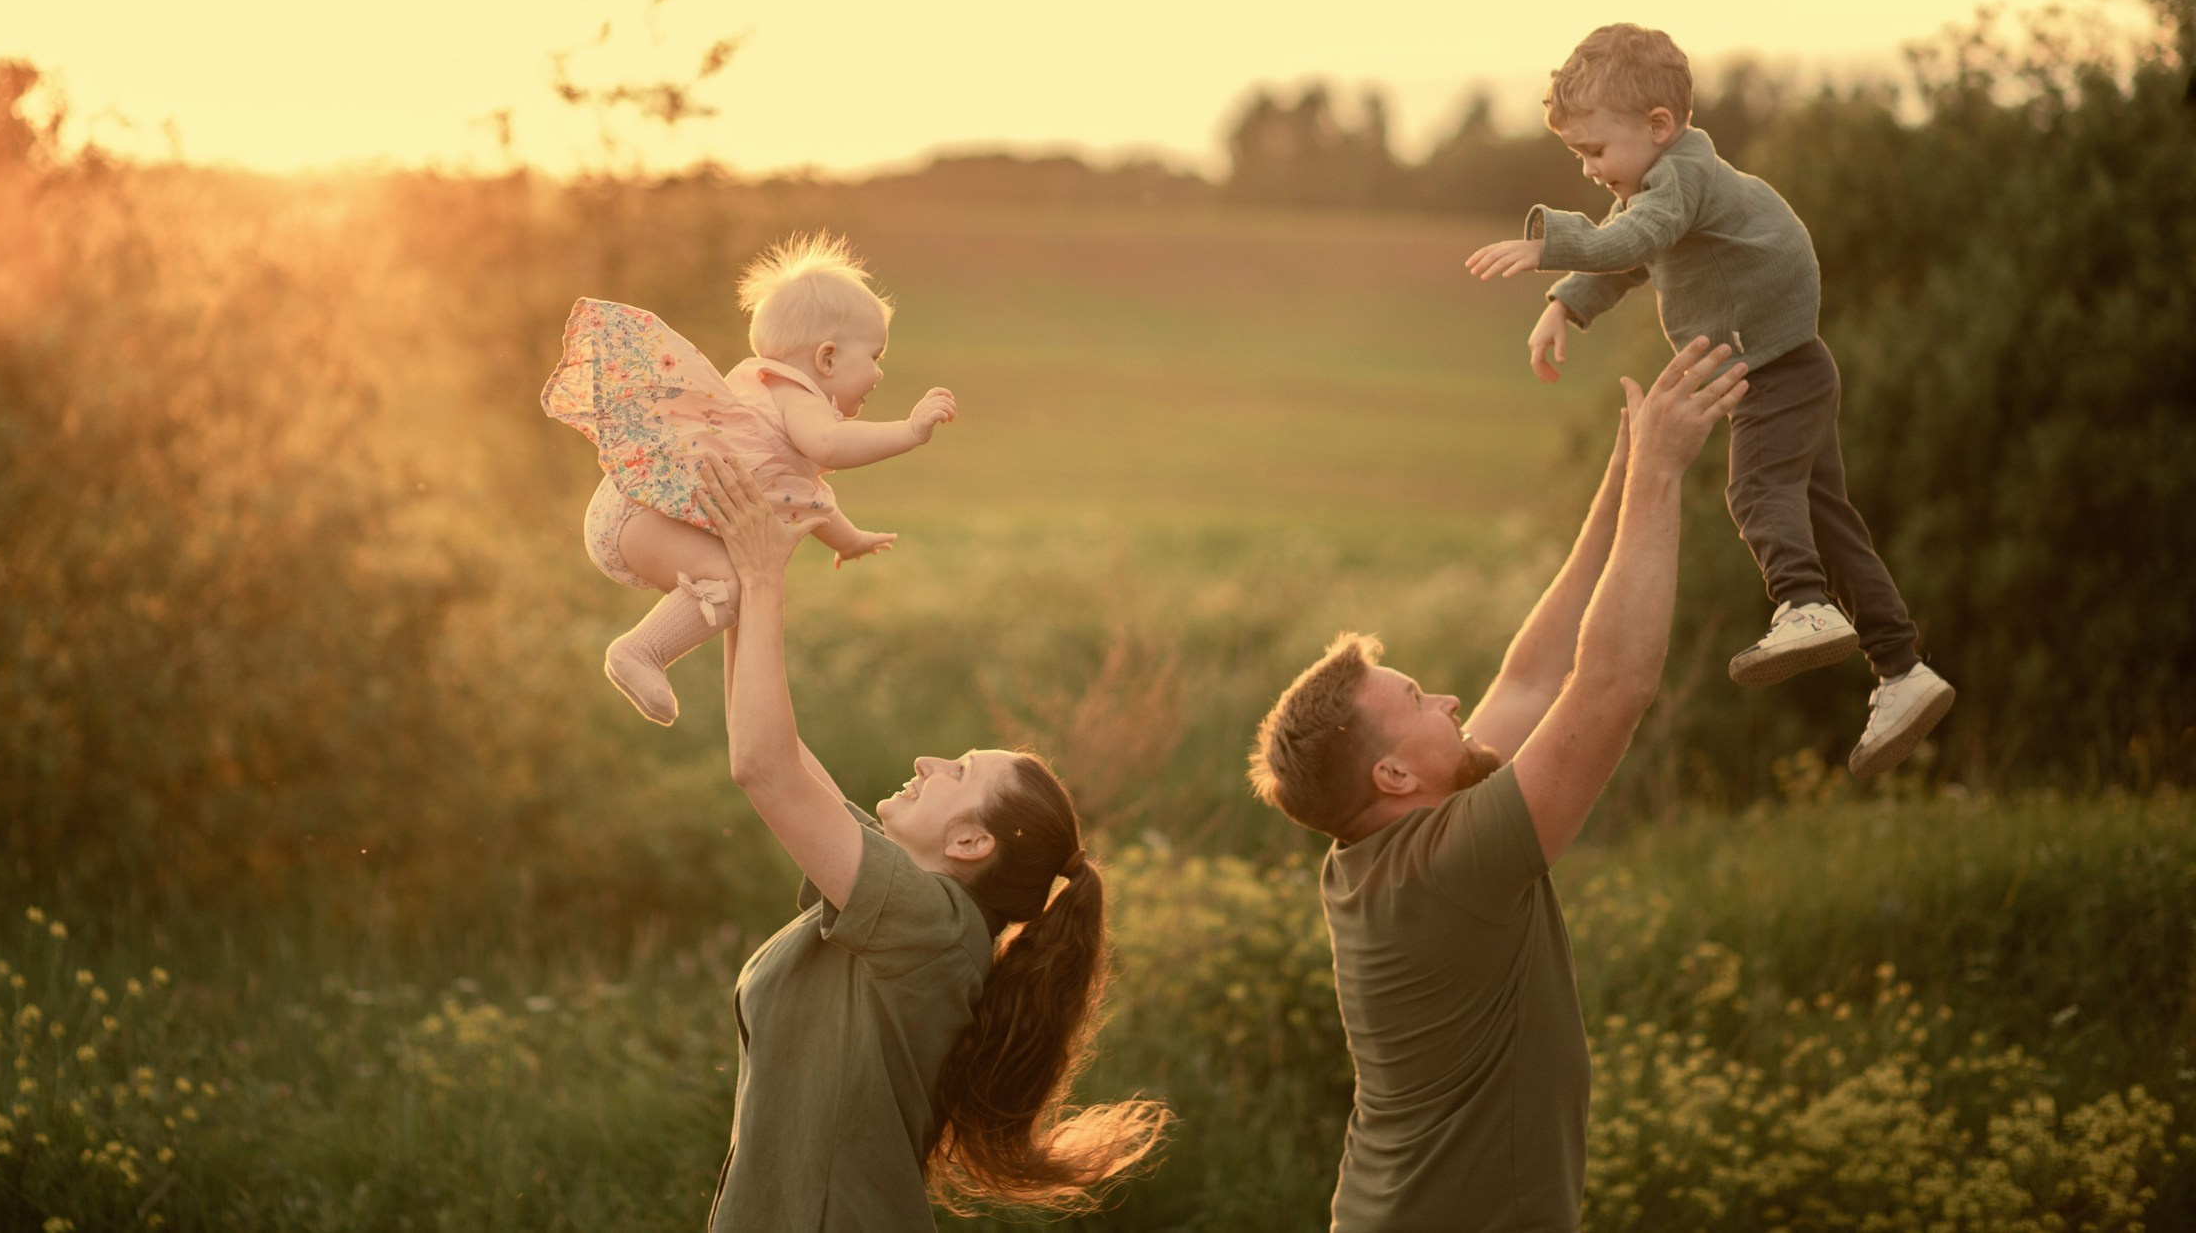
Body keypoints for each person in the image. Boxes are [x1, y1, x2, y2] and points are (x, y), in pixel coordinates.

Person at [1249, 338, 1743, 1233]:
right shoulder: (1454, 864)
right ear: (1393, 773)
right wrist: (1664, 477)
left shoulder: (1380, 850)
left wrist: (1622, 477)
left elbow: (1527, 681)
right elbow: (1612, 685)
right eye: (1419, 700)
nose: (1448, 700)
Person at [1464, 22, 1953, 777]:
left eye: (1595, 151)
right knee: (1832, 523)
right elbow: (1631, 256)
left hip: (1775, 371)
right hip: (1793, 362)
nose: (1590, 171)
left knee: (1754, 488)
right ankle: (1900, 669)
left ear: (1659, 125)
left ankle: (1801, 605)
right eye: (1578, 156)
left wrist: (1547, 246)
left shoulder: (1678, 182)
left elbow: (1635, 239)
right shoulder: (1670, 180)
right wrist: (1566, 302)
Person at [692, 453, 1166, 1231]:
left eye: (959, 769)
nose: (927, 761)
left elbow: (763, 768)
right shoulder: (898, 902)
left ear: (973, 840)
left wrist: (763, 572)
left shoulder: (936, 927)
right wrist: (737, 581)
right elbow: (775, 746)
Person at [539, 231, 957, 724]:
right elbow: (832, 447)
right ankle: (640, 652)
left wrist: (851, 541)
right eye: (875, 357)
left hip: (641, 512)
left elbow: (814, 505)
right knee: (733, 583)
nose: (880, 374)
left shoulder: (779, 432)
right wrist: (909, 431)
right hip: (641, 513)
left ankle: (652, 652)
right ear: (826, 358)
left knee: (737, 583)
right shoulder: (794, 397)